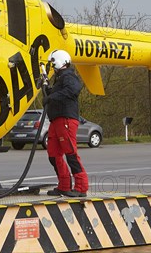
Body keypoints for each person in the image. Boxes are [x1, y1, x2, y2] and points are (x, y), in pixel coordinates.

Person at [42, 49, 89, 197]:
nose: (52, 67)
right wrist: (47, 90)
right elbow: (57, 95)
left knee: (70, 153)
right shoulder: (60, 78)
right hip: (56, 119)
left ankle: (81, 187)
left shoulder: (69, 76)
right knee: (53, 154)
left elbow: (74, 89)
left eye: (53, 63)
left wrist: (52, 96)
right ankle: (64, 185)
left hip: (66, 119)